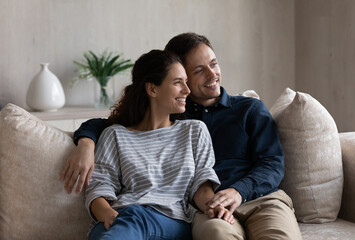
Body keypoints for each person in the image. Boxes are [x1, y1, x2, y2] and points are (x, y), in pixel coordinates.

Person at [62, 33, 302, 239]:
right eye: (198, 71)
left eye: (214, 64)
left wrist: (238, 191)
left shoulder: (248, 109)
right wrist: (85, 142)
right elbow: (110, 127)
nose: (212, 74)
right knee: (217, 233)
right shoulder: (175, 112)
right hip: (208, 207)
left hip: (261, 199)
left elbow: (272, 164)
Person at [84, 49, 232, 240]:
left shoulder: (194, 131)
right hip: (116, 222)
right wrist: (109, 215)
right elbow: (99, 186)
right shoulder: (115, 135)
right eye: (178, 82)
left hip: (170, 221)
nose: (187, 90)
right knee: (129, 220)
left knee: (135, 217)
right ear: (152, 89)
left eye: (186, 82)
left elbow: (201, 185)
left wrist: (215, 206)